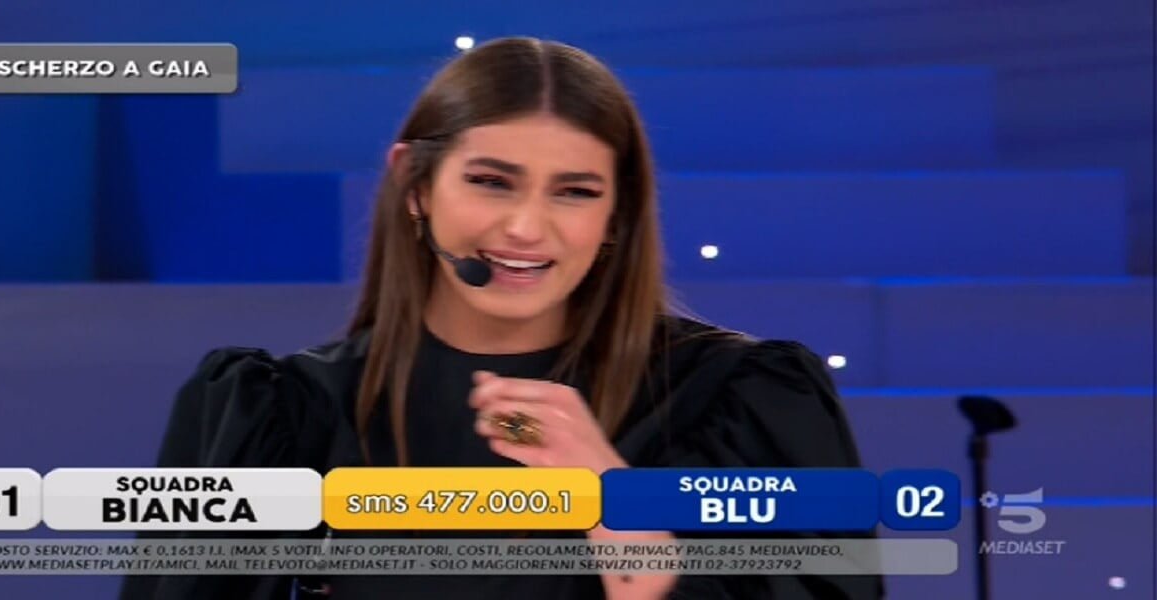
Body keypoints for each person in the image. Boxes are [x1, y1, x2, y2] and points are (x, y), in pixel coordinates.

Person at [120, 37, 883, 600]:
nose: (525, 229)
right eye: (491, 182)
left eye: (575, 192)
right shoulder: (282, 414)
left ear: (616, 215)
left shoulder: (739, 401)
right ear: (415, 186)